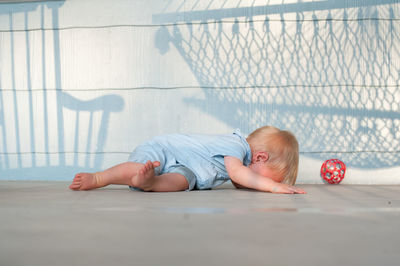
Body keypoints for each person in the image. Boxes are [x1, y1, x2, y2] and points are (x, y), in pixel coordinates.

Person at [69, 126, 306, 194]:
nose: (257, 185)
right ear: (260, 157)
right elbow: (238, 174)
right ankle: (100, 177)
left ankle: (150, 183)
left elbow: (238, 177)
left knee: (182, 181)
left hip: (187, 168)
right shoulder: (236, 146)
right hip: (163, 151)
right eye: (259, 180)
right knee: (140, 166)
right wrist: (274, 187)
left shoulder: (236, 161)